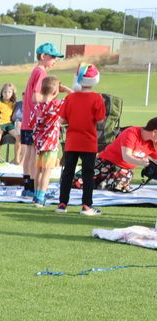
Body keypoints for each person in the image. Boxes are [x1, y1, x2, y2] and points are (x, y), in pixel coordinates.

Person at [57, 65, 107, 215]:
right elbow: (100, 120)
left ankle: (62, 204)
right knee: (88, 174)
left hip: (72, 141)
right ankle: (86, 205)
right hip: (88, 142)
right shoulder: (97, 98)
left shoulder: (70, 98)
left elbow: (62, 120)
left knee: (68, 173)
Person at [21, 43, 68, 195]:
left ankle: (28, 186)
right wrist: (51, 98)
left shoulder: (36, 71)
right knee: (34, 156)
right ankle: (34, 188)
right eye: (53, 57)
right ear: (43, 56)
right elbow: (36, 97)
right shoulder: (41, 73)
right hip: (37, 122)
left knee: (29, 153)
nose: (55, 60)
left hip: (30, 118)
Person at [74, 116, 157, 196]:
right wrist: (141, 162)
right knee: (77, 183)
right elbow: (126, 156)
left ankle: (104, 183)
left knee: (116, 188)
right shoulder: (132, 133)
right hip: (106, 162)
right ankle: (100, 181)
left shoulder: (153, 144)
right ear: (155, 132)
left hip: (124, 170)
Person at [29, 77, 64, 207]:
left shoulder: (37, 106)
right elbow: (75, 96)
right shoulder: (56, 105)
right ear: (55, 92)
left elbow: (31, 123)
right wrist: (64, 89)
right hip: (51, 143)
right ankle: (41, 197)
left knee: (38, 170)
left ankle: (36, 195)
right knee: (47, 171)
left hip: (39, 143)